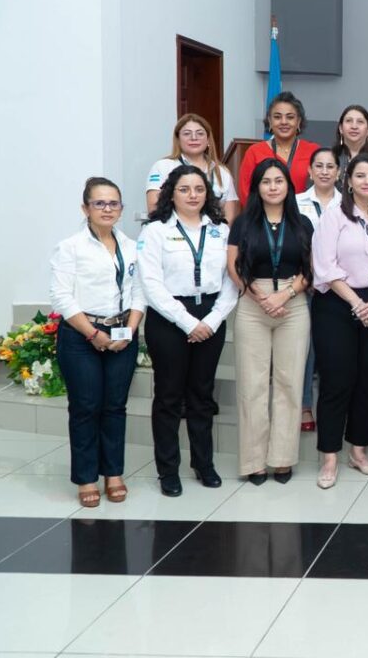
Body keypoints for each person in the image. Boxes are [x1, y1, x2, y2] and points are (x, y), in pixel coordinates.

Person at [138, 164, 238, 497]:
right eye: (184, 189)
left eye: (199, 189)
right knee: (168, 396)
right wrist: (188, 322)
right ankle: (168, 470)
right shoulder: (155, 231)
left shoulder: (221, 230)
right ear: (171, 193)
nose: (192, 195)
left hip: (210, 316)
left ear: (208, 193)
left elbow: (231, 279)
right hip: (168, 319)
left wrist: (212, 319)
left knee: (202, 395)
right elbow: (151, 284)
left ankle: (203, 464)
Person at [50, 177, 145, 508]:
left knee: (115, 406)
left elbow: (139, 291)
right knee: (86, 407)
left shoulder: (131, 246)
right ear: (85, 208)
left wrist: (130, 330)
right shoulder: (71, 247)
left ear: (121, 208)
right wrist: (93, 333)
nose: (107, 209)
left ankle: (113, 473)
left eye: (113, 203)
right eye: (99, 203)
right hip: (81, 336)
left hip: (122, 333)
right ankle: (86, 478)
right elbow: (61, 296)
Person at [311, 153, 368, 488]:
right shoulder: (333, 216)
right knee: (337, 381)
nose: (367, 181)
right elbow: (324, 265)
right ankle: (329, 457)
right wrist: (356, 302)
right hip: (337, 304)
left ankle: (359, 451)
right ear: (348, 181)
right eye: (360, 175)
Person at [227, 159, 313, 484]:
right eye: (266, 181)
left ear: (289, 186)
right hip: (253, 303)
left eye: (279, 181)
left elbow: (310, 270)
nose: (273, 187)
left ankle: (282, 459)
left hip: (293, 303)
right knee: (252, 385)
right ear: (257, 187)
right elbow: (233, 266)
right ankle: (254, 462)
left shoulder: (302, 223)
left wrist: (284, 295)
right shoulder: (243, 223)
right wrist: (260, 297)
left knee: (290, 383)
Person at [295, 147, 341, 432]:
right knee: (306, 346)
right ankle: (304, 405)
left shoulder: (348, 204)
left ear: (339, 172)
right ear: (310, 171)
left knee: (333, 351)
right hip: (304, 285)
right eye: (319, 166)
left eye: (330, 166)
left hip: (338, 287)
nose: (324, 171)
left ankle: (331, 408)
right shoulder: (295, 202)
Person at [145, 114, 239, 223]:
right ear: (178, 139)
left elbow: (229, 217)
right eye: (187, 133)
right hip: (170, 231)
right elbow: (154, 208)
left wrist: (215, 232)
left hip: (213, 232)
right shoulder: (163, 166)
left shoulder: (222, 173)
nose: (194, 138)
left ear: (208, 140)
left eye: (200, 133)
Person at [238, 91, 322, 200]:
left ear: (298, 121)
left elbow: (324, 187)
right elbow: (245, 192)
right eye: (277, 117)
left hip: (305, 210)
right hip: (264, 210)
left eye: (290, 117)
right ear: (270, 121)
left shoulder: (314, 151)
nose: (284, 122)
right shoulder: (254, 152)